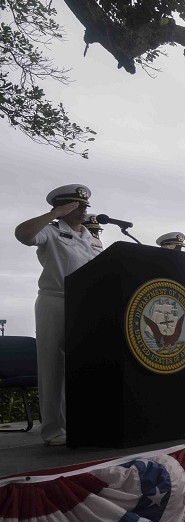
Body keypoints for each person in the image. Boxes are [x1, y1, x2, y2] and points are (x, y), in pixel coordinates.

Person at [14, 184, 103, 446]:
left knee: (84, 365)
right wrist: (53, 215)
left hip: (87, 305)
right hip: (55, 300)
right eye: (76, 206)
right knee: (53, 366)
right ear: (62, 208)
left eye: (85, 206)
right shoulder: (50, 232)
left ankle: (84, 421)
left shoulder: (92, 238)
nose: (83, 210)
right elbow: (23, 234)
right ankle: (53, 430)